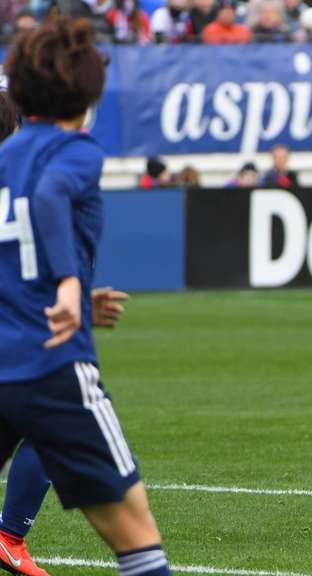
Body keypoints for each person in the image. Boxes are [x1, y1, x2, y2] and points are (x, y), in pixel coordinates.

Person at [0, 17, 173, 575]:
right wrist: (69, 284)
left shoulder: (4, 160)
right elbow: (50, 198)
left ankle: (8, 536)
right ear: (89, 92)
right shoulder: (74, 152)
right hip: (48, 365)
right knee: (139, 540)